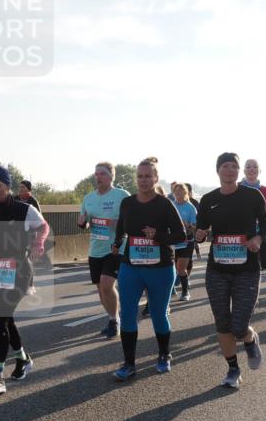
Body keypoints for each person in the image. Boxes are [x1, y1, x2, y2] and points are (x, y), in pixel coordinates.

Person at [0, 166, 50, 395]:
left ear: (8, 186)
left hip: (20, 270)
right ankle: (22, 359)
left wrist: (39, 242)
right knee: (5, 318)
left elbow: (43, 226)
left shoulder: (24, 209)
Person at [195, 152, 266, 389]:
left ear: (238, 172)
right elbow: (201, 229)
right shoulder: (208, 199)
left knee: (238, 326)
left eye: (233, 167)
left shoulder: (252, 195)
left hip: (246, 268)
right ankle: (233, 370)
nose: (229, 170)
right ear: (217, 170)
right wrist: (199, 234)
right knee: (222, 324)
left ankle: (249, 338)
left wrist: (258, 238)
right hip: (217, 269)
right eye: (225, 166)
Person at [111, 157, 186, 380]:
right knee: (127, 314)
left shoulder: (164, 204)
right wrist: (116, 243)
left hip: (160, 268)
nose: (143, 181)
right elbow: (121, 229)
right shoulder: (128, 203)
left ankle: (164, 355)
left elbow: (181, 236)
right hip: (131, 266)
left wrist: (158, 237)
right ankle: (128, 363)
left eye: (148, 176)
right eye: (140, 177)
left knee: (158, 314)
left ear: (156, 178)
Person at [78, 162, 131, 338]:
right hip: (95, 249)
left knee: (107, 283)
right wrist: (82, 222)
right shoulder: (88, 198)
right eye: (96, 174)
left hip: (116, 248)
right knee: (101, 290)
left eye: (101, 173)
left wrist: (117, 225)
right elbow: (84, 223)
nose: (97, 177)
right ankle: (112, 319)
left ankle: (116, 321)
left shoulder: (122, 196)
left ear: (111, 176)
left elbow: (131, 221)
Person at [240, 158, 266, 270]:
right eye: (248, 167)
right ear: (243, 170)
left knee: (260, 267)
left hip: (261, 238)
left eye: (255, 167)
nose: (251, 169)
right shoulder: (236, 189)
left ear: (260, 170)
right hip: (240, 238)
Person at [170, 182, 198, 302]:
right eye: (176, 192)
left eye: (181, 192)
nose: (178, 194)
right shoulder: (171, 205)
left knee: (180, 268)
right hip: (173, 241)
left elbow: (194, 226)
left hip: (187, 241)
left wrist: (186, 225)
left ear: (186, 193)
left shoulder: (190, 207)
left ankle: (185, 292)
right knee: (172, 267)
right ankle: (171, 290)